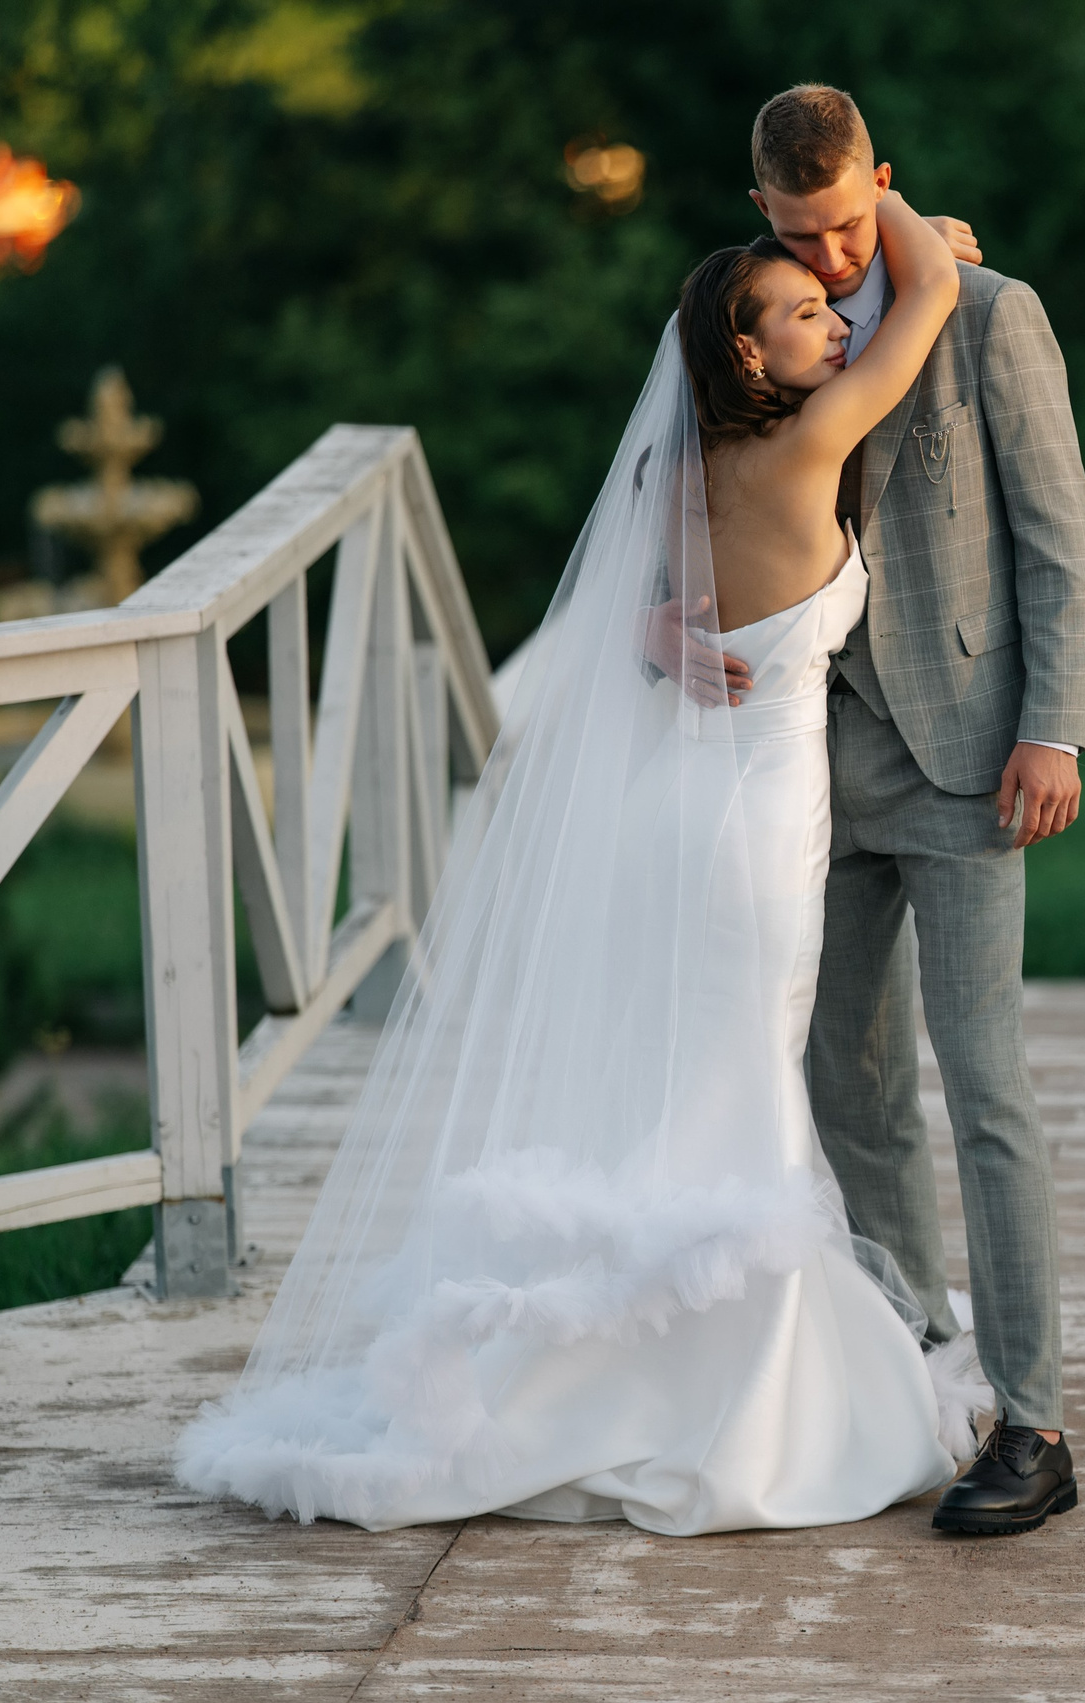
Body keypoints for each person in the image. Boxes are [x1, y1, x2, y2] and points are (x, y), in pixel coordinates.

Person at [173, 181, 1004, 1536]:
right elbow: (922, 303)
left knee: (684, 1083)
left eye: (824, 300)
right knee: (743, 1087)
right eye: (801, 313)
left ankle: (632, 1363)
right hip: (752, 830)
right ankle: (740, 1402)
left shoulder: (686, 470)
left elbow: (638, 609)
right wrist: (893, 209)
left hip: (674, 800)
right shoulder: (809, 452)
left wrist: (658, 636)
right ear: (747, 356)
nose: (833, 321)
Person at [652, 83, 1085, 1537]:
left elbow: (1057, 541)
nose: (832, 263)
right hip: (816, 776)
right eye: (797, 234)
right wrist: (667, 625)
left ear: (882, 187)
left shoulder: (988, 312)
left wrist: (1054, 728)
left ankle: (1032, 1418)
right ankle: (918, 1360)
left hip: (976, 760)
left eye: (848, 227)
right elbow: (683, 500)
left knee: (988, 1091)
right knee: (851, 1090)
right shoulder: (750, 328)